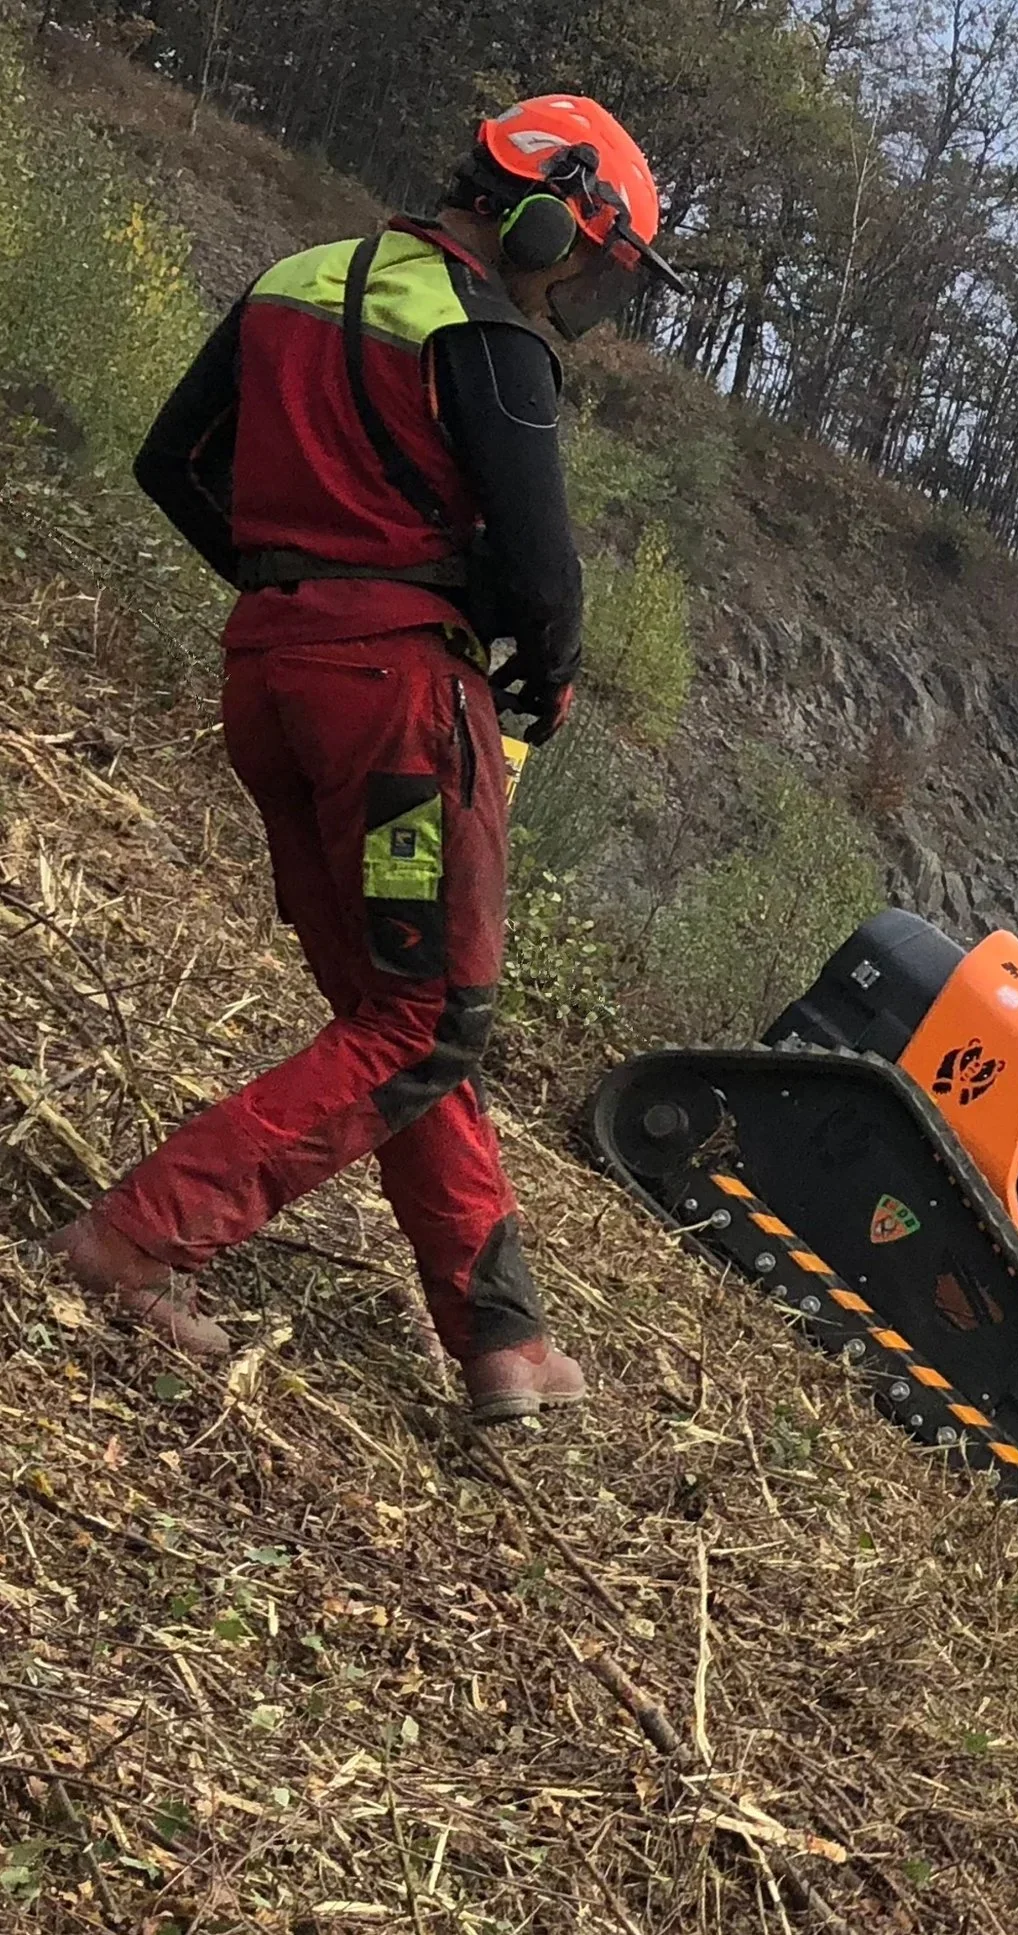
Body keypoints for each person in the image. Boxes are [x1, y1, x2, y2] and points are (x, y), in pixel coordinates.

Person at [43, 96, 684, 1421]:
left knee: (397, 1021)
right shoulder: (489, 337)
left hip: (268, 679)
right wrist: (544, 671)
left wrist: (297, 590)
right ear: (550, 217)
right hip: (397, 708)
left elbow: (175, 463)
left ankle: (500, 1337)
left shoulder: (295, 278)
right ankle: (139, 1240)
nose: (577, 291)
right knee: (426, 1020)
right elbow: (546, 573)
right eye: (589, 263)